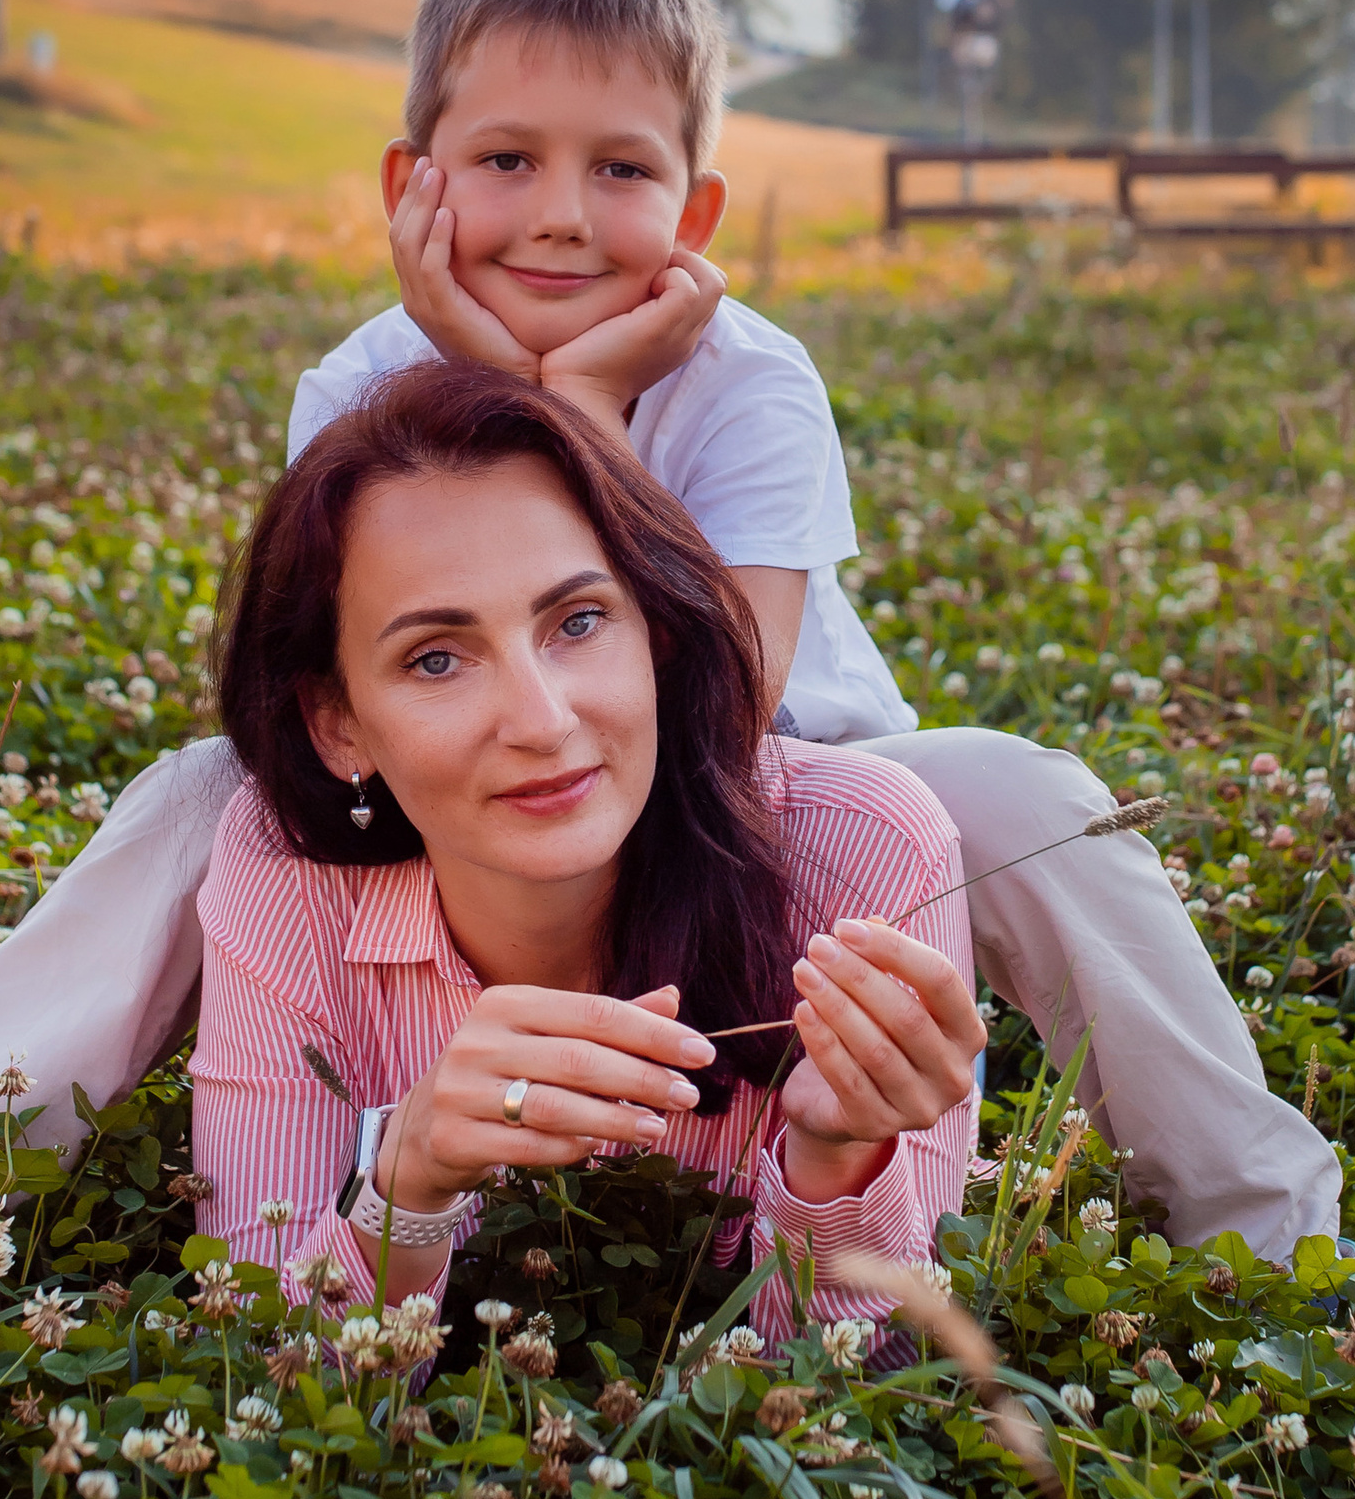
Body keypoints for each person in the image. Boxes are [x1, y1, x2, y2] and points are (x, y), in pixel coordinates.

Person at [0, 0, 1335, 1259]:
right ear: (415, 184)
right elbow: (365, 669)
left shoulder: (749, 382)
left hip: (786, 803)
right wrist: (502, 384)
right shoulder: (364, 384)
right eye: (508, 161)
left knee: (1031, 796)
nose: (558, 215)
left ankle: (1266, 1243)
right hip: (484, 807)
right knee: (202, 796)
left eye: (621, 170)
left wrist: (578, 402)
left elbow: (719, 700)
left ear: (696, 212)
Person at [184, 364, 980, 1342]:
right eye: (437, 658)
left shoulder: (868, 852)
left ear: (657, 632)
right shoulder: (286, 875)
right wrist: (411, 1181)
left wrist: (835, 1160)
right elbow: (261, 1371)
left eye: (579, 621)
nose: (541, 719)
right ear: (337, 723)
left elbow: (871, 1395)